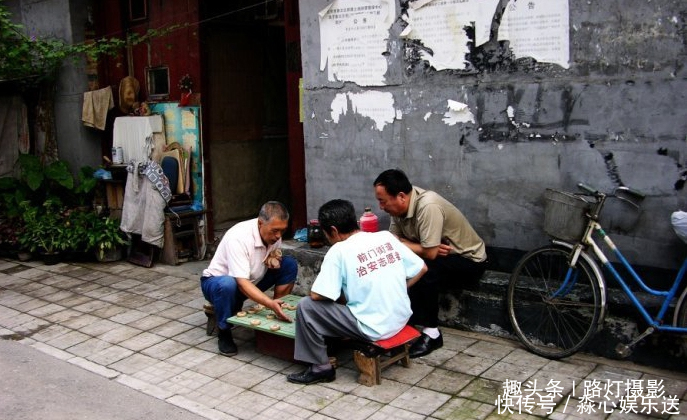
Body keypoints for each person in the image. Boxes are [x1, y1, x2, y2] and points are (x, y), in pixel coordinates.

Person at [287, 199, 427, 385]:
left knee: (307, 307)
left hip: (374, 328)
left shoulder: (339, 250)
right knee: (344, 297)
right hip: (401, 318)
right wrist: (401, 287)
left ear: (334, 231)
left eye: (327, 234)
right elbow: (422, 268)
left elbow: (317, 295)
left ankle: (321, 368)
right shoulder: (385, 237)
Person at [373, 169, 487, 358]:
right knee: (395, 264)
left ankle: (432, 333)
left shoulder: (428, 205)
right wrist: (420, 247)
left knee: (425, 269)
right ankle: (402, 324)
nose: (381, 207)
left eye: (383, 201)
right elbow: (392, 243)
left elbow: (430, 252)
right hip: (438, 255)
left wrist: (409, 245)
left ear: (401, 196)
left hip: (469, 260)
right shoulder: (398, 209)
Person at [200, 201, 297, 356]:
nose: (278, 236)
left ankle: (278, 312)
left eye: (282, 231)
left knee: (289, 264)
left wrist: (274, 258)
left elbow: (274, 253)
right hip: (217, 283)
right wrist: (268, 302)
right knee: (227, 284)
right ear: (260, 223)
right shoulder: (238, 237)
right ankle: (224, 332)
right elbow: (241, 282)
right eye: (275, 231)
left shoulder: (273, 235)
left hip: (251, 280)